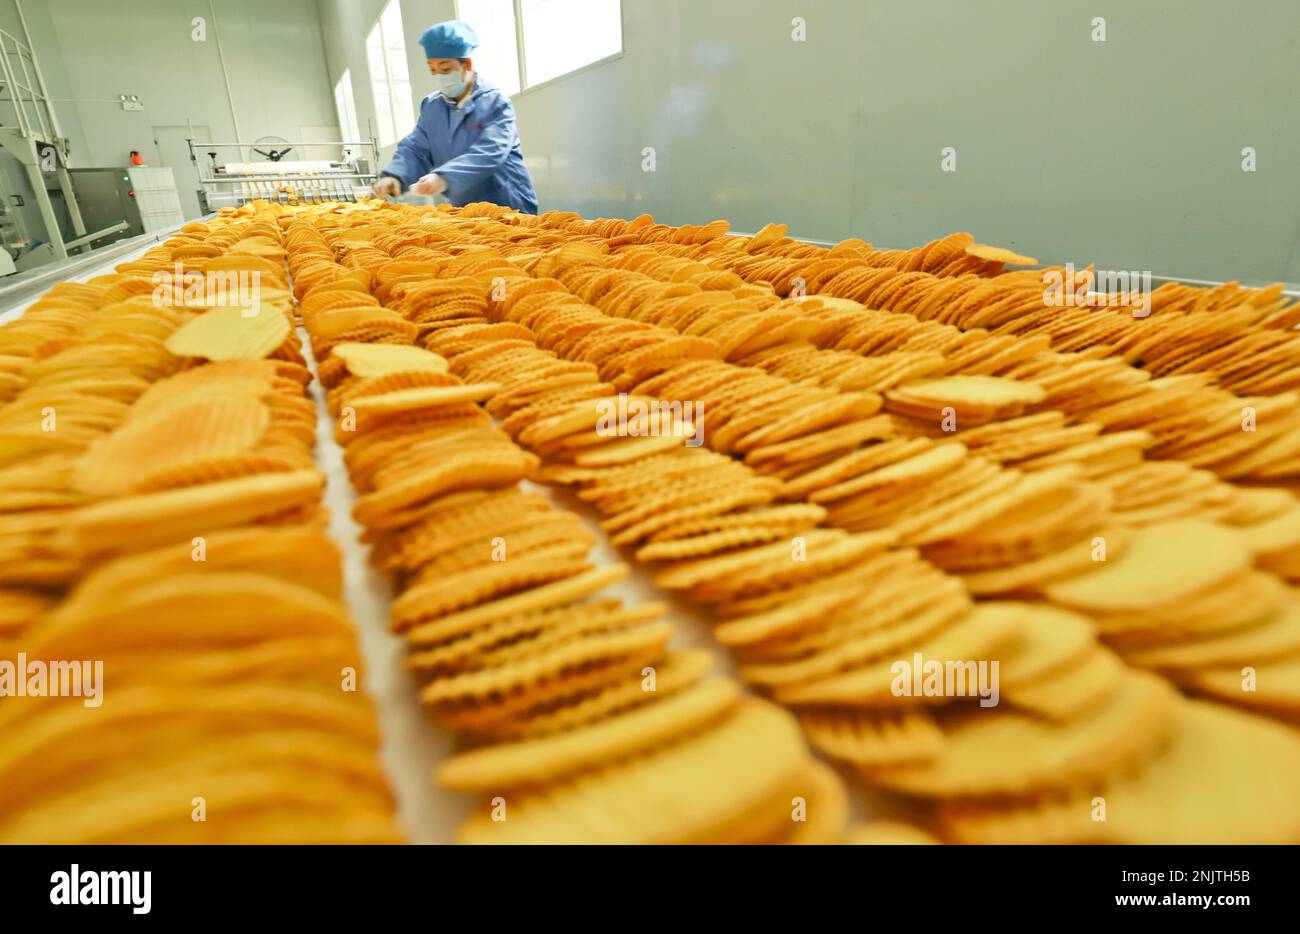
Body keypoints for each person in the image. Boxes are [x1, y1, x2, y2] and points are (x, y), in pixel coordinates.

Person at [371, 19, 538, 214]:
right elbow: (416, 149)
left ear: (467, 64)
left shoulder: (495, 103)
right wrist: (395, 176)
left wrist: (444, 178)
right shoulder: (432, 107)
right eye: (433, 69)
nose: (439, 76)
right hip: (464, 210)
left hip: (508, 205)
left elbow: (491, 151)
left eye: (445, 69)